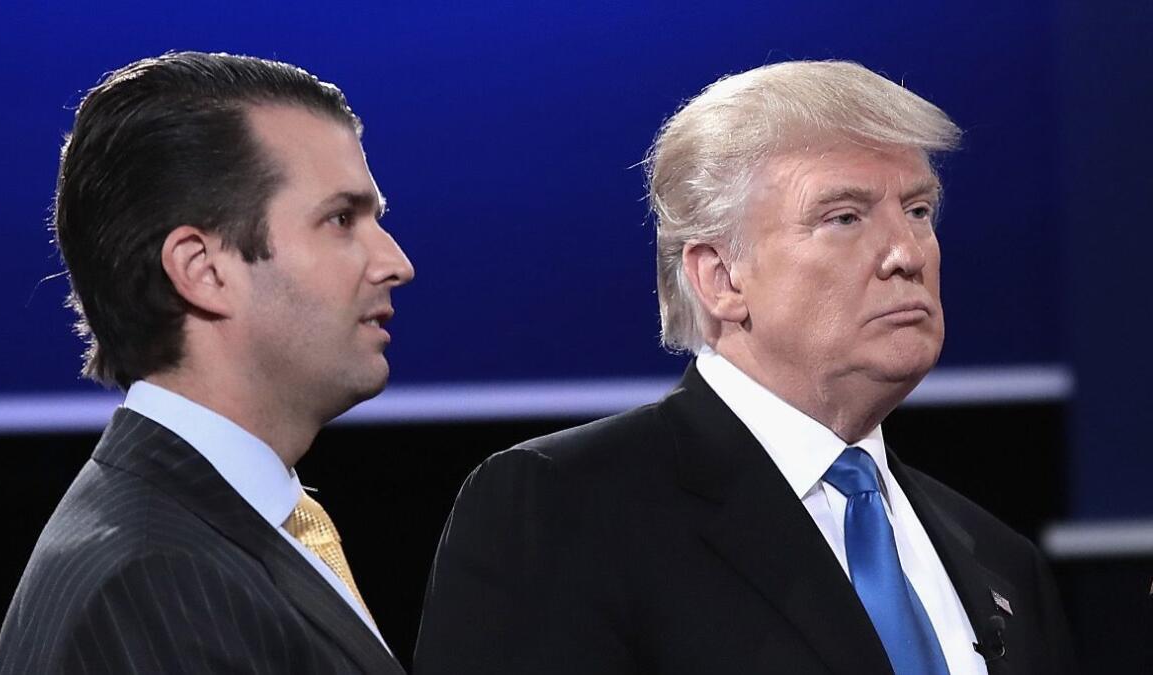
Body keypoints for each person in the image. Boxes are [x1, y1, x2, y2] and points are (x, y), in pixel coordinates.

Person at [413, 60, 1075, 674]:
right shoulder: (565, 507)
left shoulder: (1000, 559)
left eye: (919, 210)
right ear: (721, 276)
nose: (907, 251)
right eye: (844, 216)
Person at [0, 51, 414, 674]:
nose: (396, 263)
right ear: (203, 270)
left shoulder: (202, 533)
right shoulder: (155, 582)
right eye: (341, 219)